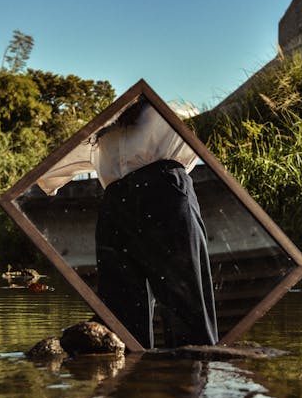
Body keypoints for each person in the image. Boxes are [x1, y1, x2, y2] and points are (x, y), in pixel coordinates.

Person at [39, 97, 218, 349]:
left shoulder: (176, 111)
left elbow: (214, 125)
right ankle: (130, 382)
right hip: (115, 204)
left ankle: (190, 380)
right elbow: (53, 170)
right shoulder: (105, 127)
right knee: (120, 321)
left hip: (163, 190)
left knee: (185, 311)